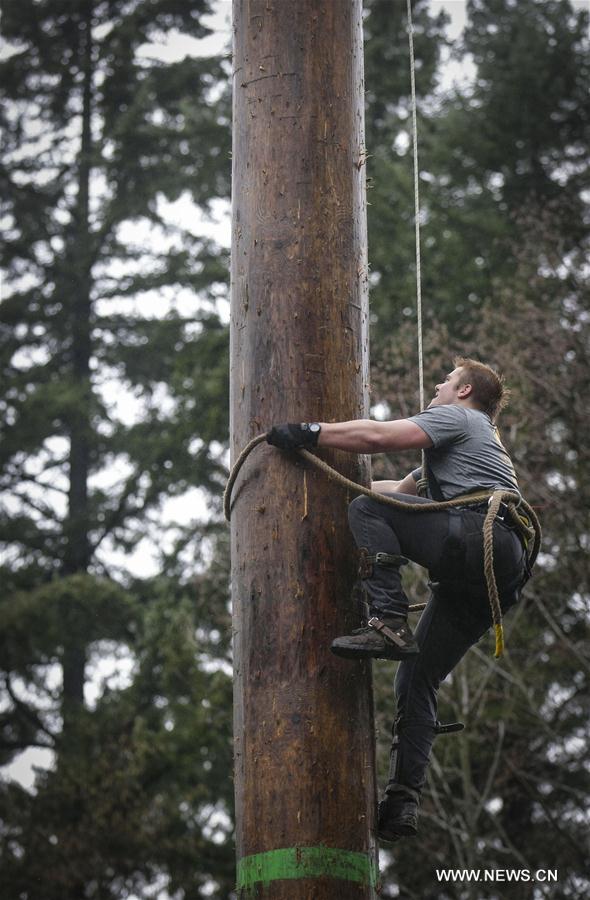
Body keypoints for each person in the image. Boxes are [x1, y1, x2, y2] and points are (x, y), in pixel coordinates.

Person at [266, 358, 530, 843]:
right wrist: (322, 480)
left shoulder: (460, 418)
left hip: (478, 534)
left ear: (465, 389)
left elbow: (377, 438)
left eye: (446, 381)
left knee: (368, 511)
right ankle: (403, 801)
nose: (436, 386)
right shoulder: (465, 454)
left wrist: (309, 431)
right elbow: (394, 490)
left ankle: (387, 620)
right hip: (493, 571)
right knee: (416, 679)